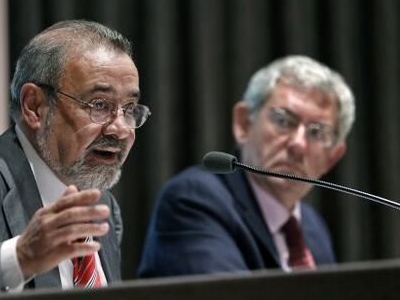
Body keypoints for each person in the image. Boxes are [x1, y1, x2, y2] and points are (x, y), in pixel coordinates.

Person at [138, 55, 355, 277]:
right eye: (283, 121)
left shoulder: (313, 228)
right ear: (243, 123)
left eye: (318, 133)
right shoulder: (195, 200)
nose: (298, 144)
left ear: (332, 157)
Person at [0, 20, 150, 291]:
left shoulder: (104, 208)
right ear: (34, 106)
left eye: (130, 108)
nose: (121, 129)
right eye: (99, 105)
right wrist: (20, 258)